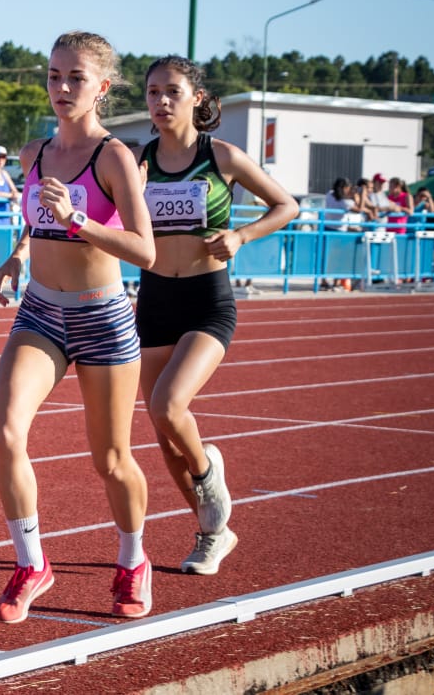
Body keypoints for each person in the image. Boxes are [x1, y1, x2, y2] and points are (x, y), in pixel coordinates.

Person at [0, 31, 156, 624]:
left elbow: (145, 250)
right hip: (40, 311)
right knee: (6, 432)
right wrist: (19, 251)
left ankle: (133, 560)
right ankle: (32, 563)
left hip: (102, 315)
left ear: (102, 88)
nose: (62, 88)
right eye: (55, 76)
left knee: (110, 458)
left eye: (76, 78)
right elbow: (39, 217)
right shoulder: (34, 152)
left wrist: (77, 219)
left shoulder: (112, 157)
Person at [134, 55, 297, 576]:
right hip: (154, 298)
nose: (161, 101)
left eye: (172, 92)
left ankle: (208, 475)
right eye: (153, 91)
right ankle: (212, 533)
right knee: (163, 435)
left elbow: (286, 205)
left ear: (197, 98)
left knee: (169, 405)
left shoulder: (222, 156)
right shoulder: (139, 161)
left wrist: (240, 236)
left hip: (207, 298)